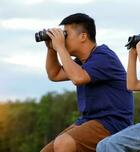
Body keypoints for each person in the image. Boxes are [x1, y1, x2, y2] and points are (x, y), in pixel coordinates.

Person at [40, 13, 134, 152]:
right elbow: (54, 74)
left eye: (65, 34)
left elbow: (78, 78)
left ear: (83, 36)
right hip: (88, 120)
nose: (62, 39)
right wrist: (51, 49)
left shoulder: (104, 56)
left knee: (64, 143)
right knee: (48, 150)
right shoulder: (82, 62)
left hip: (113, 123)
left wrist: (60, 47)